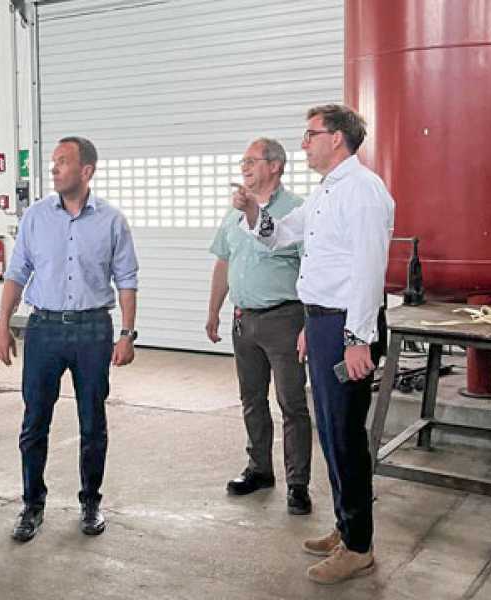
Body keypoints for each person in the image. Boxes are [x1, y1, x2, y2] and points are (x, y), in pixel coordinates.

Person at [235, 105, 394, 584]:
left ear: (338, 138)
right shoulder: (327, 191)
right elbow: (283, 235)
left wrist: (357, 339)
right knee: (330, 431)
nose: (303, 143)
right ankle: (347, 527)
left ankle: (359, 547)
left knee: (345, 436)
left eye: (311, 134)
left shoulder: (363, 191)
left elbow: (368, 271)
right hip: (324, 323)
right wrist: (253, 212)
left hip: (349, 326)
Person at [0, 136, 139, 543]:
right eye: (53, 161)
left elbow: (127, 280)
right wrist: (3, 325)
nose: (54, 168)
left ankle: (90, 502)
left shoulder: (112, 221)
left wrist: (127, 334)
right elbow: (17, 273)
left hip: (93, 331)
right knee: (34, 421)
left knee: (93, 422)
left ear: (86, 170)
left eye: (62, 162)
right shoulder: (36, 217)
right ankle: (32, 504)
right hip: (44, 329)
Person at [206, 137, 313, 515]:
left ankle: (298, 484)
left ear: (275, 166)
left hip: (285, 320)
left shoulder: (297, 211)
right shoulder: (234, 212)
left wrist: (310, 325)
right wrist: (213, 311)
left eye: (251, 161)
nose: (244, 167)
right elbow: (224, 261)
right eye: (243, 162)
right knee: (252, 400)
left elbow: (311, 270)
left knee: (292, 403)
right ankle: (259, 469)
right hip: (244, 320)